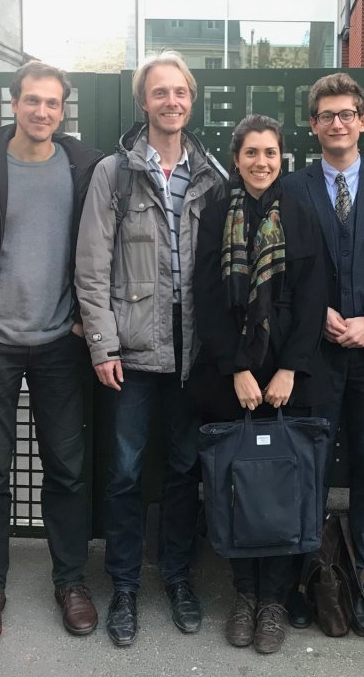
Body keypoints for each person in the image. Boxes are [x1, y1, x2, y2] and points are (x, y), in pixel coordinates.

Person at [0, 61, 104, 648]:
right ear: (13, 103)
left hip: (61, 342)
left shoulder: (84, 166)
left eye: (53, 103)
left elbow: (101, 248)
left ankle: (70, 580)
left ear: (64, 110)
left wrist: (87, 321)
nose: (42, 112)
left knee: (66, 468)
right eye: (32, 101)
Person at [75, 51, 226, 647]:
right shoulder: (115, 173)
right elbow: (91, 267)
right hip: (132, 352)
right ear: (144, 101)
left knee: (186, 470)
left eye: (180, 92)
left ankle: (180, 578)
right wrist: (103, 345)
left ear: (191, 100)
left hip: (193, 351)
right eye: (159, 92)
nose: (171, 101)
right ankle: (125, 587)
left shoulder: (213, 173)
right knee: (125, 475)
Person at [192, 113, 327, 654]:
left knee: (284, 489)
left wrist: (289, 367)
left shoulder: (300, 212)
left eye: (270, 152)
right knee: (238, 489)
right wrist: (239, 369)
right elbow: (205, 295)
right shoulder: (215, 213)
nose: (261, 162)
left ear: (282, 157)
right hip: (234, 375)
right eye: (251, 153)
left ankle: (274, 600)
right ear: (236, 158)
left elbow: (315, 294)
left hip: (291, 377)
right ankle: (244, 594)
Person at [282, 72, 364, 628]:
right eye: (326, 115)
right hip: (313, 354)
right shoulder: (292, 187)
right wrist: (322, 316)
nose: (337, 123)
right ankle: (309, 581)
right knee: (307, 468)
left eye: (347, 114)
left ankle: (362, 581)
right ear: (313, 126)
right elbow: (282, 266)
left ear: (363, 120)